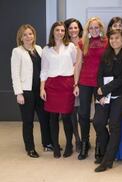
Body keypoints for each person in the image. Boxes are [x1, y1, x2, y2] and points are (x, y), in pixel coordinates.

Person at [94, 29, 122, 172]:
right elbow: (99, 74)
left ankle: (108, 160)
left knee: (114, 124)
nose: (114, 41)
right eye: (111, 38)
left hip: (121, 95)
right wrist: (100, 92)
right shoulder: (106, 54)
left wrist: (104, 90)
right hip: (105, 94)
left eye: (117, 38)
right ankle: (105, 151)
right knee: (98, 122)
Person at [11, 24, 53, 158]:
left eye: (30, 34)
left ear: (34, 35)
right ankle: (30, 148)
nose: (28, 37)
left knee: (44, 118)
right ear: (21, 38)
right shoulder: (17, 51)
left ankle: (47, 144)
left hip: (40, 90)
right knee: (28, 121)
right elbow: (15, 74)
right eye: (25, 35)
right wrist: (19, 93)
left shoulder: (39, 49)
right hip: (26, 92)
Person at [40, 21, 81, 158]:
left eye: (63, 30)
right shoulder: (46, 49)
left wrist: (75, 84)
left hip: (66, 83)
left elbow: (77, 65)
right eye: (57, 30)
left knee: (66, 117)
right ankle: (56, 146)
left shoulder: (70, 47)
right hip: (51, 85)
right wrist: (42, 88)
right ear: (53, 31)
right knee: (53, 118)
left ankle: (69, 144)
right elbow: (44, 70)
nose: (60, 32)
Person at [77, 17, 108, 160]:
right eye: (91, 28)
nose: (94, 30)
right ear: (87, 30)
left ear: (101, 28)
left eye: (97, 27)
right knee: (83, 114)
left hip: (100, 83)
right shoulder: (82, 43)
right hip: (84, 81)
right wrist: (75, 84)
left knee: (99, 115)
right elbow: (78, 64)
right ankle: (84, 142)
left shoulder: (107, 42)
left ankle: (99, 144)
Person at [64, 18, 83, 152]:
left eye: (75, 27)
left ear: (79, 29)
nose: (73, 30)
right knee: (73, 112)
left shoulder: (85, 42)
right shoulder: (64, 44)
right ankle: (77, 139)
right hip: (71, 81)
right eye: (70, 28)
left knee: (83, 113)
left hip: (85, 80)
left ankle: (85, 138)